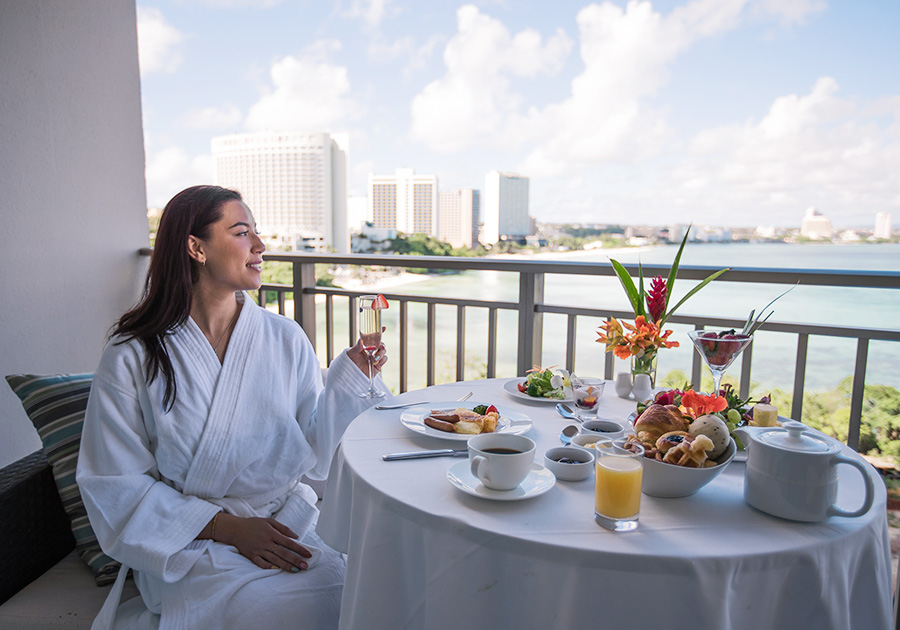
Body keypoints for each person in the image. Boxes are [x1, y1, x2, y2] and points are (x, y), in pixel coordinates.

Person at [76, 185, 390, 629]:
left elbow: (317, 454)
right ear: (195, 247)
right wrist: (227, 528)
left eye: (256, 233)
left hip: (286, 524)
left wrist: (350, 378)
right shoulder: (133, 354)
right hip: (188, 544)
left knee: (356, 598)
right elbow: (114, 481)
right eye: (242, 233)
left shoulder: (285, 337)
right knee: (275, 613)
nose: (261, 246)